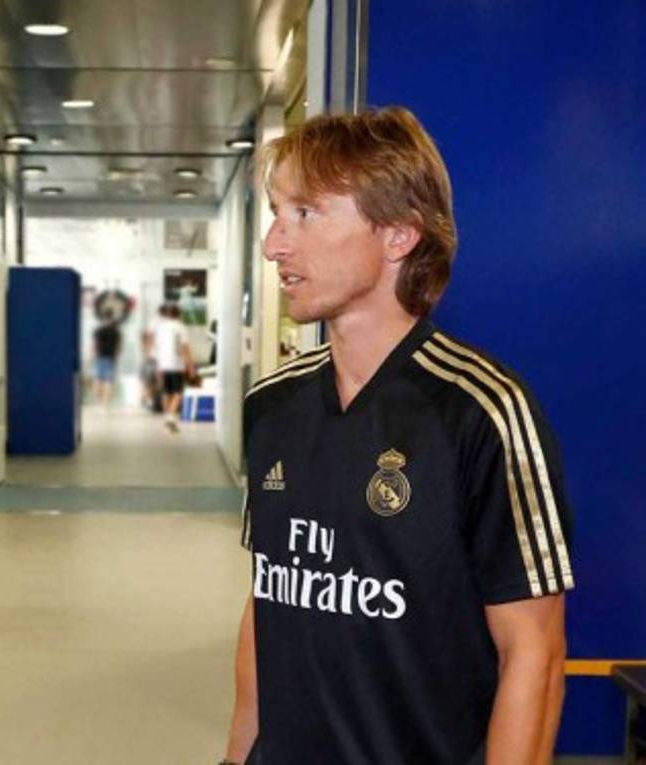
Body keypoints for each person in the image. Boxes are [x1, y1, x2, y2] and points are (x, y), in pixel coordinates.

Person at [222, 107, 573, 765]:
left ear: (398, 235)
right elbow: (268, 600)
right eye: (276, 213)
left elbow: (534, 652)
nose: (274, 243)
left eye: (306, 213)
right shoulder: (272, 405)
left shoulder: (484, 412)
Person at [153, 303, 192, 432]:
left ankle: (168, 416)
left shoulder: (161, 328)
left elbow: (157, 348)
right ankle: (171, 417)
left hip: (163, 364)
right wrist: (190, 365)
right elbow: (184, 347)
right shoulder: (181, 328)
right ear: (179, 314)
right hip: (176, 364)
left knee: (166, 392)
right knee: (178, 392)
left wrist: (158, 366)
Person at [92, 319, 122, 406]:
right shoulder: (116, 332)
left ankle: (99, 400)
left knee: (98, 379)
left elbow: (95, 344)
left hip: (100, 357)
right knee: (109, 380)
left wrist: (93, 356)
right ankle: (105, 403)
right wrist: (116, 358)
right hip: (111, 358)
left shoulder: (98, 330)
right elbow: (118, 347)